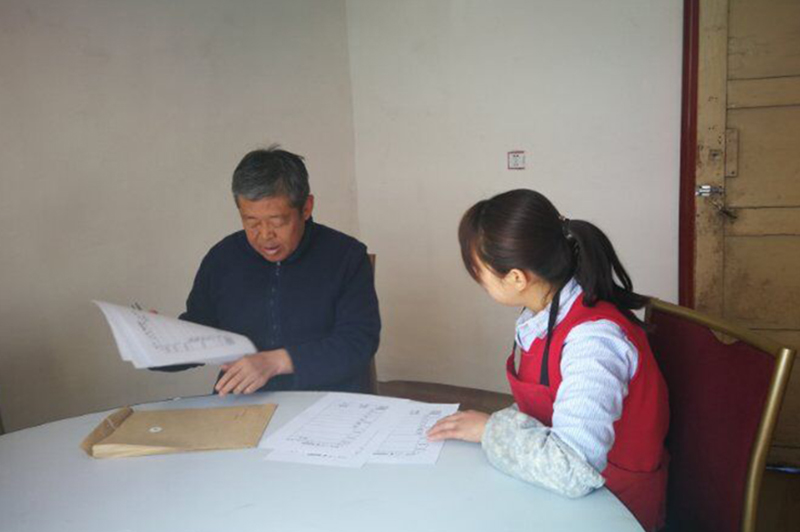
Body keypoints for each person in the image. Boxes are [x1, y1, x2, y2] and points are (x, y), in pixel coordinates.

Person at [427, 189, 668, 531]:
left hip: (613, 507)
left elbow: (574, 469)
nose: (477, 279)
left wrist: (489, 430)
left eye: (478, 271)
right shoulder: (543, 315)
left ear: (516, 278)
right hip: (567, 496)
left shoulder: (593, 341)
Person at [155, 145, 380, 395]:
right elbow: (200, 332)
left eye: (277, 221)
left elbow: (358, 342)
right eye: (251, 222)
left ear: (306, 208)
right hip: (244, 401)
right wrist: (155, 344)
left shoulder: (345, 256)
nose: (264, 235)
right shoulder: (222, 258)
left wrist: (276, 362)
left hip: (329, 400)